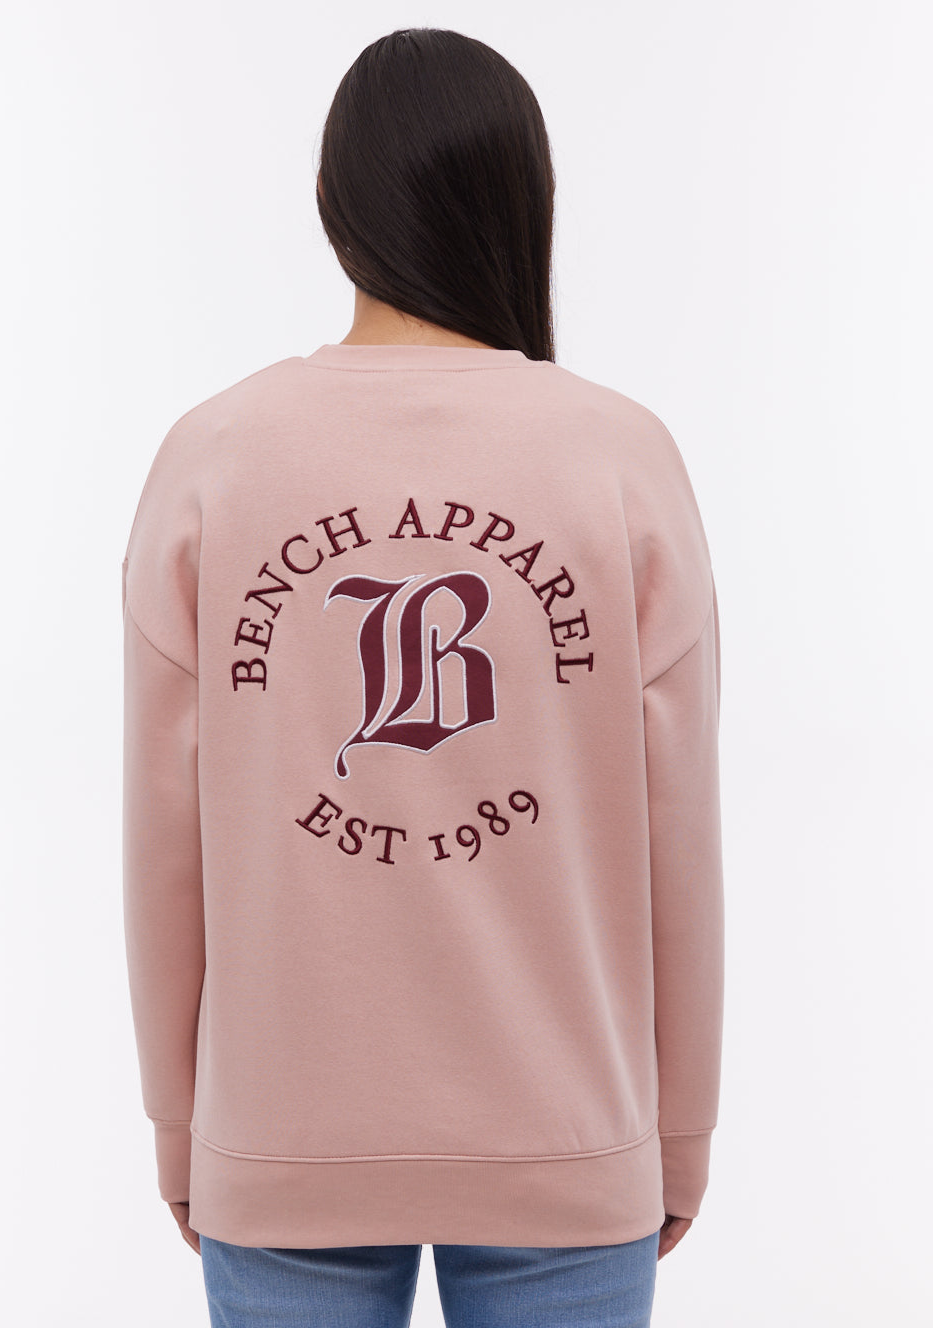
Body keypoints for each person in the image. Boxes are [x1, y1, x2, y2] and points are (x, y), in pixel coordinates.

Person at [121, 26, 725, 1328]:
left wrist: (185, 1128)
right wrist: (676, 1134)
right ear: (529, 201)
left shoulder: (214, 457)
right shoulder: (620, 459)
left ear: (330, 204)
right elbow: (678, 828)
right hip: (568, 1129)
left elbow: (166, 838)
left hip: (282, 1132)